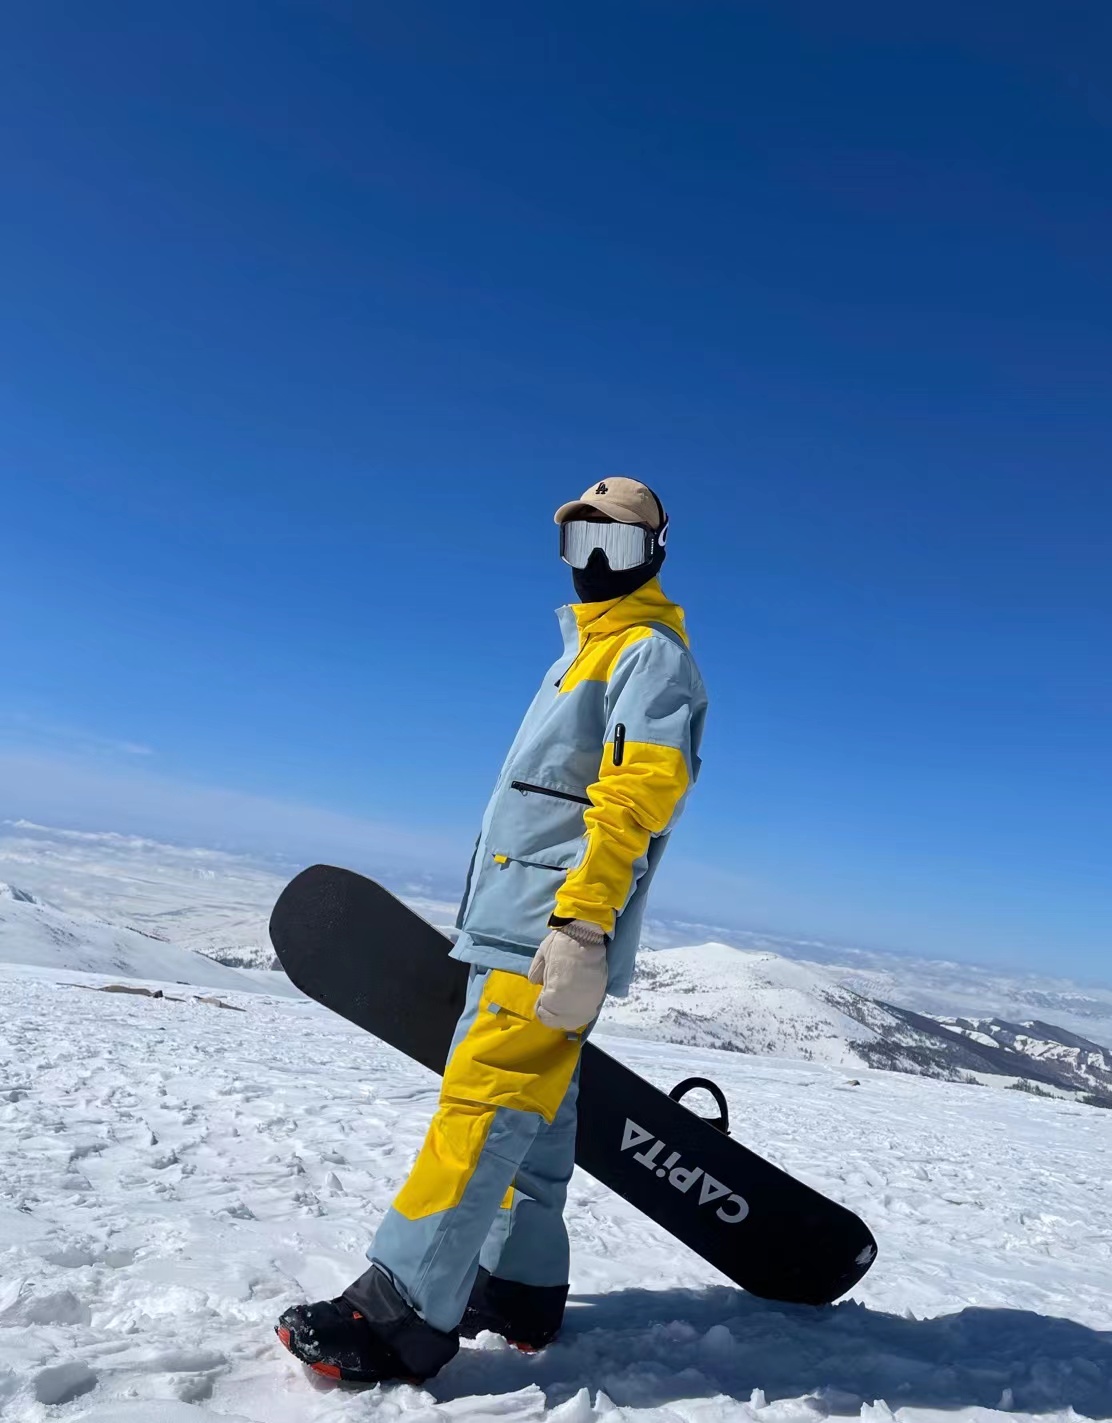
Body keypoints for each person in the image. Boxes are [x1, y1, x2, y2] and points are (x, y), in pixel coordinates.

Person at [276, 477, 708, 1384]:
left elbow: (637, 797)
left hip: (550, 932)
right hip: (516, 923)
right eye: (580, 545)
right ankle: (518, 1285)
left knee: (479, 1111)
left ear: (656, 554)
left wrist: (581, 925)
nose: (595, 565)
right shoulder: (583, 654)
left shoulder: (649, 656)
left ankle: (398, 1313)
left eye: (617, 548)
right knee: (537, 1117)